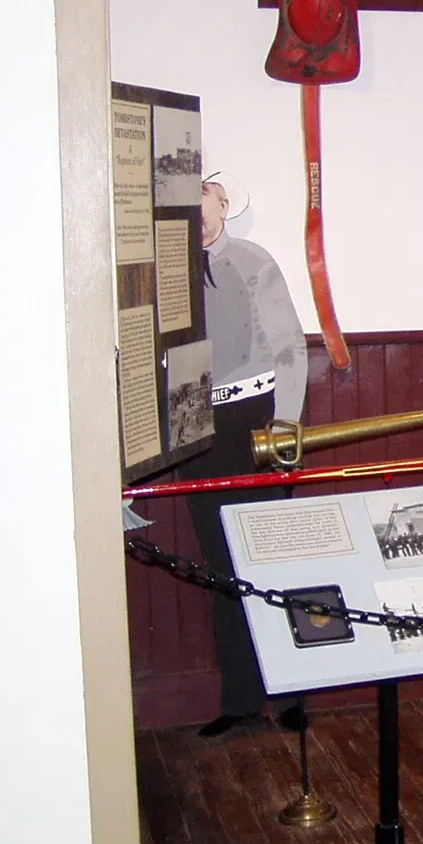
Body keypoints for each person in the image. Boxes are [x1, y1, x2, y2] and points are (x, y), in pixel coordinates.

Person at [184, 177, 309, 737]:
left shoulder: (255, 262)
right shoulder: (167, 269)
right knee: (221, 568)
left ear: (224, 204)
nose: (198, 217)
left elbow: (289, 348)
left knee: (276, 562)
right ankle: (239, 698)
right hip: (200, 430)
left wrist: (285, 428)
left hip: (256, 423)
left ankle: (292, 696)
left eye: (204, 203)